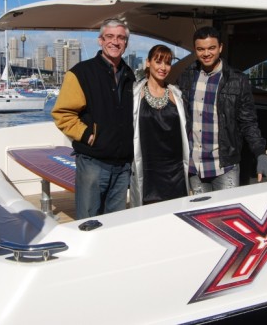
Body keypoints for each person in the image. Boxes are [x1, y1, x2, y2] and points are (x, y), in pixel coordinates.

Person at [177, 26, 267, 193]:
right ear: (195, 50)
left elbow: (248, 122)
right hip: (194, 166)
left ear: (220, 48)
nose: (206, 53)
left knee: (224, 216)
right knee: (199, 217)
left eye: (211, 48)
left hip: (225, 165)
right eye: (200, 49)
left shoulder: (237, 80)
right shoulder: (186, 77)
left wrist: (260, 154)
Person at [51, 18, 136, 219]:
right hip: (93, 163)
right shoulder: (81, 73)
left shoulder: (130, 75)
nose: (115, 42)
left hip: (123, 165)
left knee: (115, 223)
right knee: (89, 221)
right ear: (100, 40)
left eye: (121, 38)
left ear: (126, 43)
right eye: (110, 37)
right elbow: (62, 114)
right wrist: (89, 135)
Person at [131, 45, 190, 206]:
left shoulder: (176, 94)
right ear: (148, 63)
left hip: (175, 172)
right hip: (148, 171)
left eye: (168, 63)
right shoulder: (135, 94)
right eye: (158, 62)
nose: (163, 68)